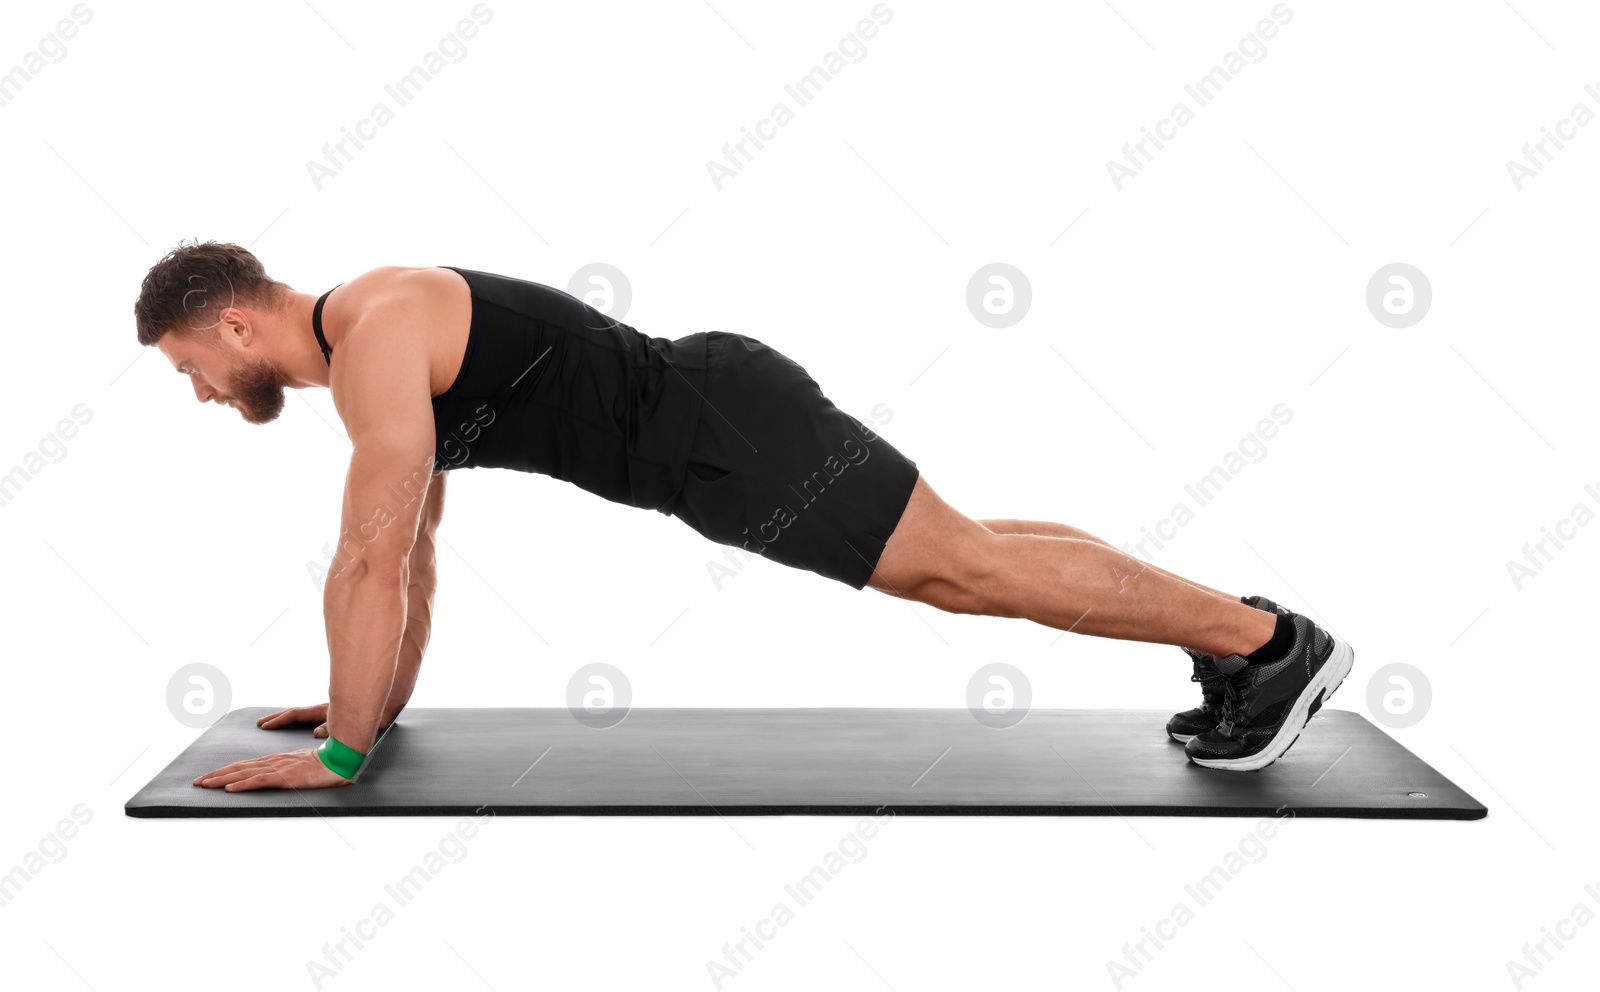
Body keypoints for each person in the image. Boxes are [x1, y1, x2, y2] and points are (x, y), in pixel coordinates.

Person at [132, 240, 1354, 791]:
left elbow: (367, 553)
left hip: (721, 439)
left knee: (962, 573)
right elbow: (418, 557)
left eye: (190, 362)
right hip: (719, 424)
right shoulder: (375, 334)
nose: (197, 390)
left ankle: (1268, 648)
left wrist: (342, 757)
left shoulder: (375, 336)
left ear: (238, 321)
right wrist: (366, 711)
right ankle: (1241, 636)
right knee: (969, 550)